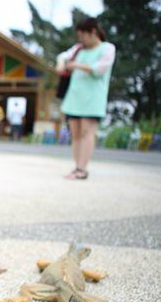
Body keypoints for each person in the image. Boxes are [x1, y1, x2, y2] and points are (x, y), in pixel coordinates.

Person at [56, 17, 115, 180]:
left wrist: (77, 65)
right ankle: (76, 167)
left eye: (83, 35)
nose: (80, 39)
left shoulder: (107, 48)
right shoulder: (78, 49)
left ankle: (82, 169)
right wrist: (61, 63)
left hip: (93, 98)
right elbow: (63, 56)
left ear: (93, 32)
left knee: (87, 132)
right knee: (75, 134)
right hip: (74, 96)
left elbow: (100, 70)